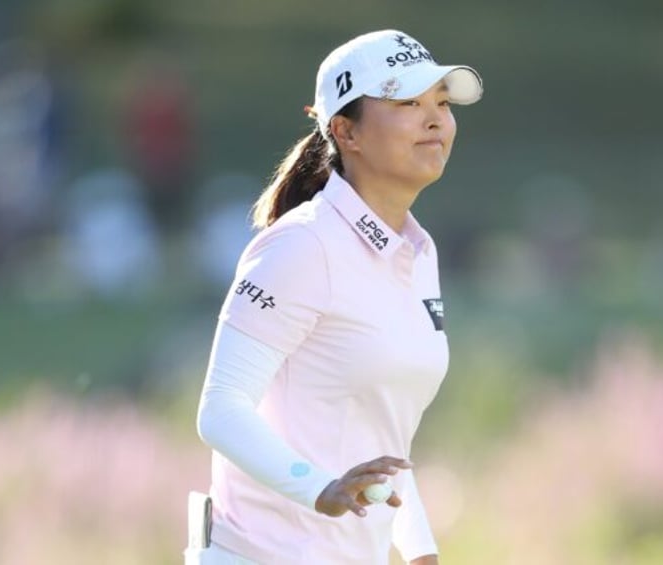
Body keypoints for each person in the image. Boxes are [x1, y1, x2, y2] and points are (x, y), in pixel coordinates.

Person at [194, 29, 482, 564]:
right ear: (346, 132)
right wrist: (320, 488)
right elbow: (220, 411)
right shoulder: (301, 244)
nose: (436, 119)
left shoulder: (421, 254)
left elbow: (383, 434)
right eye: (407, 103)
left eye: (441, 103)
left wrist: (418, 549)